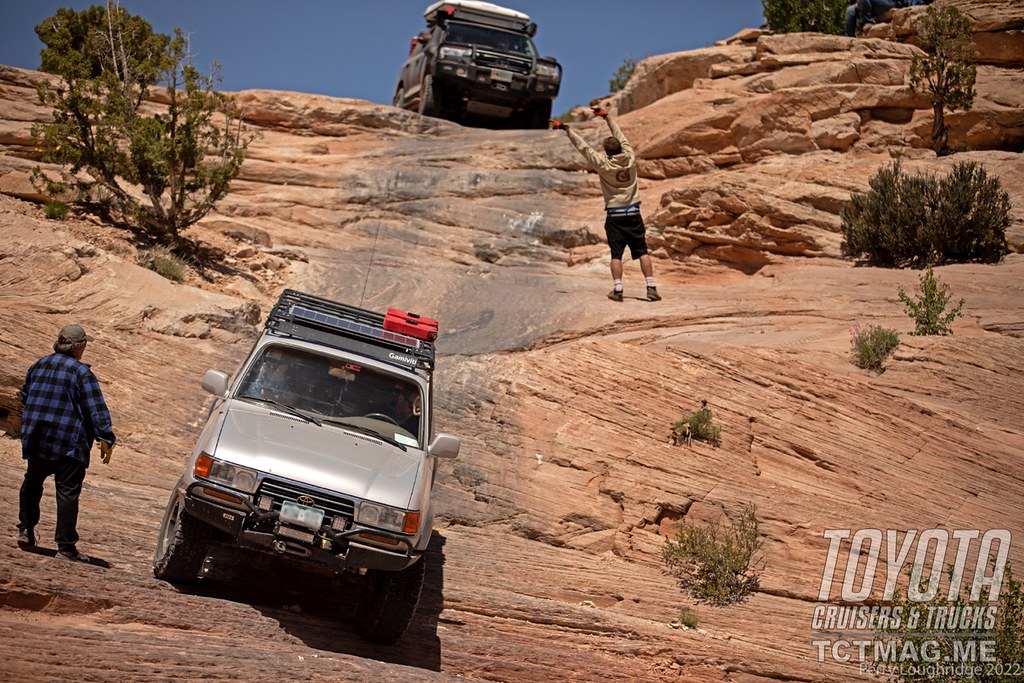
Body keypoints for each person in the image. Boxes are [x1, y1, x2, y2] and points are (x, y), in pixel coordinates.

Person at [17, 324, 116, 563]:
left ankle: (26, 528)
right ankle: (66, 546)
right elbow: (96, 409)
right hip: (68, 442)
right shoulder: (81, 373)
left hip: (37, 437)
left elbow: (24, 395)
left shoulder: (38, 364)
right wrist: (106, 438)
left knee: (33, 482)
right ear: (79, 346)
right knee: (67, 493)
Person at [551, 106, 661, 302]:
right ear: (620, 148)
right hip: (634, 213)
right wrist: (607, 118)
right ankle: (651, 287)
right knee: (642, 251)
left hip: (614, 217)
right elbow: (621, 135)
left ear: (607, 151)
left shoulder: (603, 165)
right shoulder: (630, 158)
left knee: (616, 254)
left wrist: (566, 129)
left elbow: (584, 148)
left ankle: (618, 290)